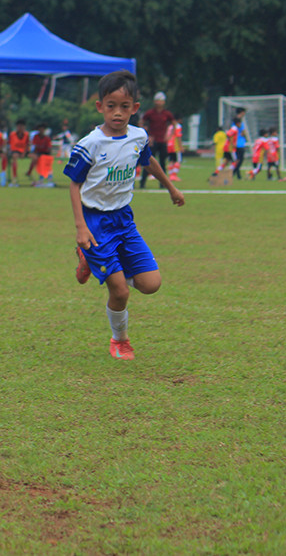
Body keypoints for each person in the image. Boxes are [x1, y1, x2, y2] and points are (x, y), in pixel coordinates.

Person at [65, 70, 184, 361]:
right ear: (100, 106)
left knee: (151, 285)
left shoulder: (138, 137)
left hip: (123, 219)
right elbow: (74, 184)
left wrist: (171, 188)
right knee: (120, 292)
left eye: (124, 106)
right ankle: (120, 340)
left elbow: (148, 161)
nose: (117, 113)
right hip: (95, 222)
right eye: (111, 106)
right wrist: (80, 227)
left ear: (135, 108)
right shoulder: (90, 144)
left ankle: (92, 260)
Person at [139, 91, 175, 188]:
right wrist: (146, 135)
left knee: (162, 163)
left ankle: (163, 184)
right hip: (152, 141)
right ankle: (142, 183)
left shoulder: (166, 114)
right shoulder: (150, 113)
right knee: (148, 162)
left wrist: (169, 136)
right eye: (157, 100)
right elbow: (141, 122)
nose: (159, 102)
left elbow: (174, 124)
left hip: (162, 141)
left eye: (161, 101)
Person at [6, 119, 30, 186]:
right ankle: (14, 176)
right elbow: (9, 144)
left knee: (35, 157)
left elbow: (27, 144)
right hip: (15, 150)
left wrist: (24, 153)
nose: (20, 128)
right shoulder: (12, 134)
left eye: (22, 126)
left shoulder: (26, 134)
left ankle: (29, 172)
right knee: (14, 157)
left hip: (23, 151)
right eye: (19, 126)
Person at [229, 107, 250, 179]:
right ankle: (233, 173)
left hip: (238, 143)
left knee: (237, 160)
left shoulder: (236, 121)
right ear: (241, 112)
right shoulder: (238, 122)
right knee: (239, 160)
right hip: (238, 143)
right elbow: (242, 132)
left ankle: (238, 175)